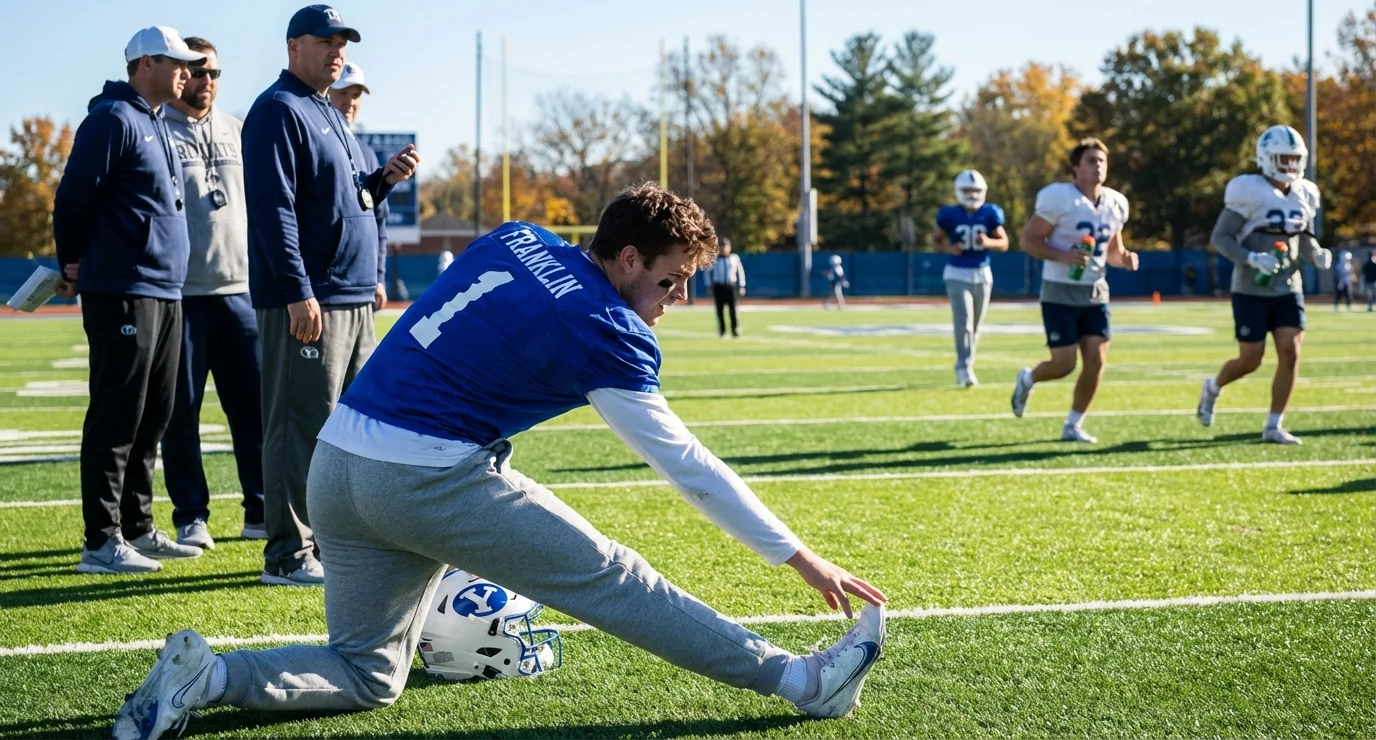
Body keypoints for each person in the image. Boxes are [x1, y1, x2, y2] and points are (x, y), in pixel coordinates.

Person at [112, 184, 887, 740]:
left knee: (368, 674)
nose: (678, 297)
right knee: (615, 579)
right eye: (671, 279)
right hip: (421, 476)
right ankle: (802, 683)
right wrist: (798, 556)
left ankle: (208, 679)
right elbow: (684, 463)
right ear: (625, 258)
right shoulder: (605, 325)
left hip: (339, 462)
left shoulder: (518, 236)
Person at [242, 5, 420, 586]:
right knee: (300, 425)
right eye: (325, 40)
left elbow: (347, 202)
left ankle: (332, 542)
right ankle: (289, 555)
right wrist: (298, 290)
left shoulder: (328, 113)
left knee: (351, 427)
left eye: (342, 41)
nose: (336, 50)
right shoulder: (277, 110)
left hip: (348, 298)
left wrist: (383, 182)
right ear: (294, 46)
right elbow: (274, 209)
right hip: (310, 299)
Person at [53, 26, 208, 574]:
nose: (187, 71)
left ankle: (138, 528)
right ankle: (101, 540)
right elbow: (73, 196)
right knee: (117, 415)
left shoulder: (155, 122)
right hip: (123, 288)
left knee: (154, 415)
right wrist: (70, 259)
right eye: (176, 62)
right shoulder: (113, 119)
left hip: (165, 291)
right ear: (144, 63)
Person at [160, 36, 266, 549]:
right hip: (181, 294)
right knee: (181, 413)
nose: (206, 81)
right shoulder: (157, 130)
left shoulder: (238, 130)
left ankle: (261, 509)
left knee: (254, 411)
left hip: (240, 289)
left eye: (214, 73)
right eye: (197, 71)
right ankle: (191, 515)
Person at [1196, 125, 1331, 444]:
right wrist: (1251, 258)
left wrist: (1317, 254)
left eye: (1295, 158)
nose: (1290, 165)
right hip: (1250, 288)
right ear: (1266, 158)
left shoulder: (1305, 193)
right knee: (1250, 360)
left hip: (1288, 286)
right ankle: (1213, 386)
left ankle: (1274, 424)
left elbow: (1304, 236)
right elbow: (1220, 237)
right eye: (1283, 158)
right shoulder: (1247, 190)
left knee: (1291, 352)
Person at [1011, 139, 1139, 443]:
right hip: (1059, 290)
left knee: (1096, 361)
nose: (1098, 166)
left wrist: (1124, 259)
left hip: (1095, 291)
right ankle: (1028, 378)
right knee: (1064, 364)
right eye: (1092, 160)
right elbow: (1028, 240)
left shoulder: (1116, 203)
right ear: (1076, 167)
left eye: (1102, 161)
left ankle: (1074, 424)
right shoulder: (1060, 198)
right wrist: (1062, 255)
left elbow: (1112, 250)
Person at [933, 169, 1009, 387]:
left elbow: (1004, 243)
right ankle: (963, 367)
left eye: (976, 190)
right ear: (958, 191)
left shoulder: (990, 213)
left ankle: (967, 364)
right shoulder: (949, 214)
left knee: (975, 326)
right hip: (956, 272)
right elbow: (935, 240)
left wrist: (987, 242)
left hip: (982, 273)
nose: (972, 194)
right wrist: (948, 247)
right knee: (964, 323)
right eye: (967, 190)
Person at [328, 62, 389, 311]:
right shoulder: (317, 144)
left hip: (362, 287)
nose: (350, 102)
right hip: (327, 290)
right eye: (342, 92)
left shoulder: (367, 153)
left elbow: (378, 221)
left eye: (355, 95)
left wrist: (379, 277)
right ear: (326, 92)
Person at [710, 237, 745, 337]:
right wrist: (708, 285)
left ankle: (735, 329)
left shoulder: (734, 258)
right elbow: (708, 273)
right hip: (719, 286)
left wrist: (742, 285)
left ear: (729, 247)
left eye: (725, 246)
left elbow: (740, 271)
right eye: (721, 246)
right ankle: (722, 330)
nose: (723, 249)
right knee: (719, 310)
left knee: (733, 309)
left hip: (730, 286)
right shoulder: (715, 259)